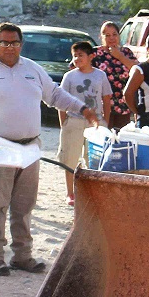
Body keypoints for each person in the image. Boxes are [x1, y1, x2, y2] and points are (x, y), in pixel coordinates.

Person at [0, 22, 97, 275]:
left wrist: (82, 108)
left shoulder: (33, 69)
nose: (10, 47)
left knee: (24, 205)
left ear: (21, 44)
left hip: (30, 148)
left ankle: (22, 255)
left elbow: (55, 95)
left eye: (15, 42)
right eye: (4, 43)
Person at [58, 40, 112, 206]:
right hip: (74, 120)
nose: (77, 59)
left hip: (95, 122)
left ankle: (91, 193)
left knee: (94, 159)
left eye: (81, 55)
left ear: (91, 56)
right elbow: (61, 100)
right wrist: (64, 122)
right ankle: (70, 193)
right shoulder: (69, 76)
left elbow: (106, 99)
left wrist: (105, 122)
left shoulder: (100, 75)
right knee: (70, 158)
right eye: (75, 56)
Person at [93, 21, 138, 130]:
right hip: (100, 105)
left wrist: (120, 56)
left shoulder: (126, 52)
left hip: (122, 104)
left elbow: (138, 70)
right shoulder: (94, 53)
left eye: (114, 34)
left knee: (120, 139)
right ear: (101, 37)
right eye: (107, 35)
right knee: (102, 137)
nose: (111, 38)